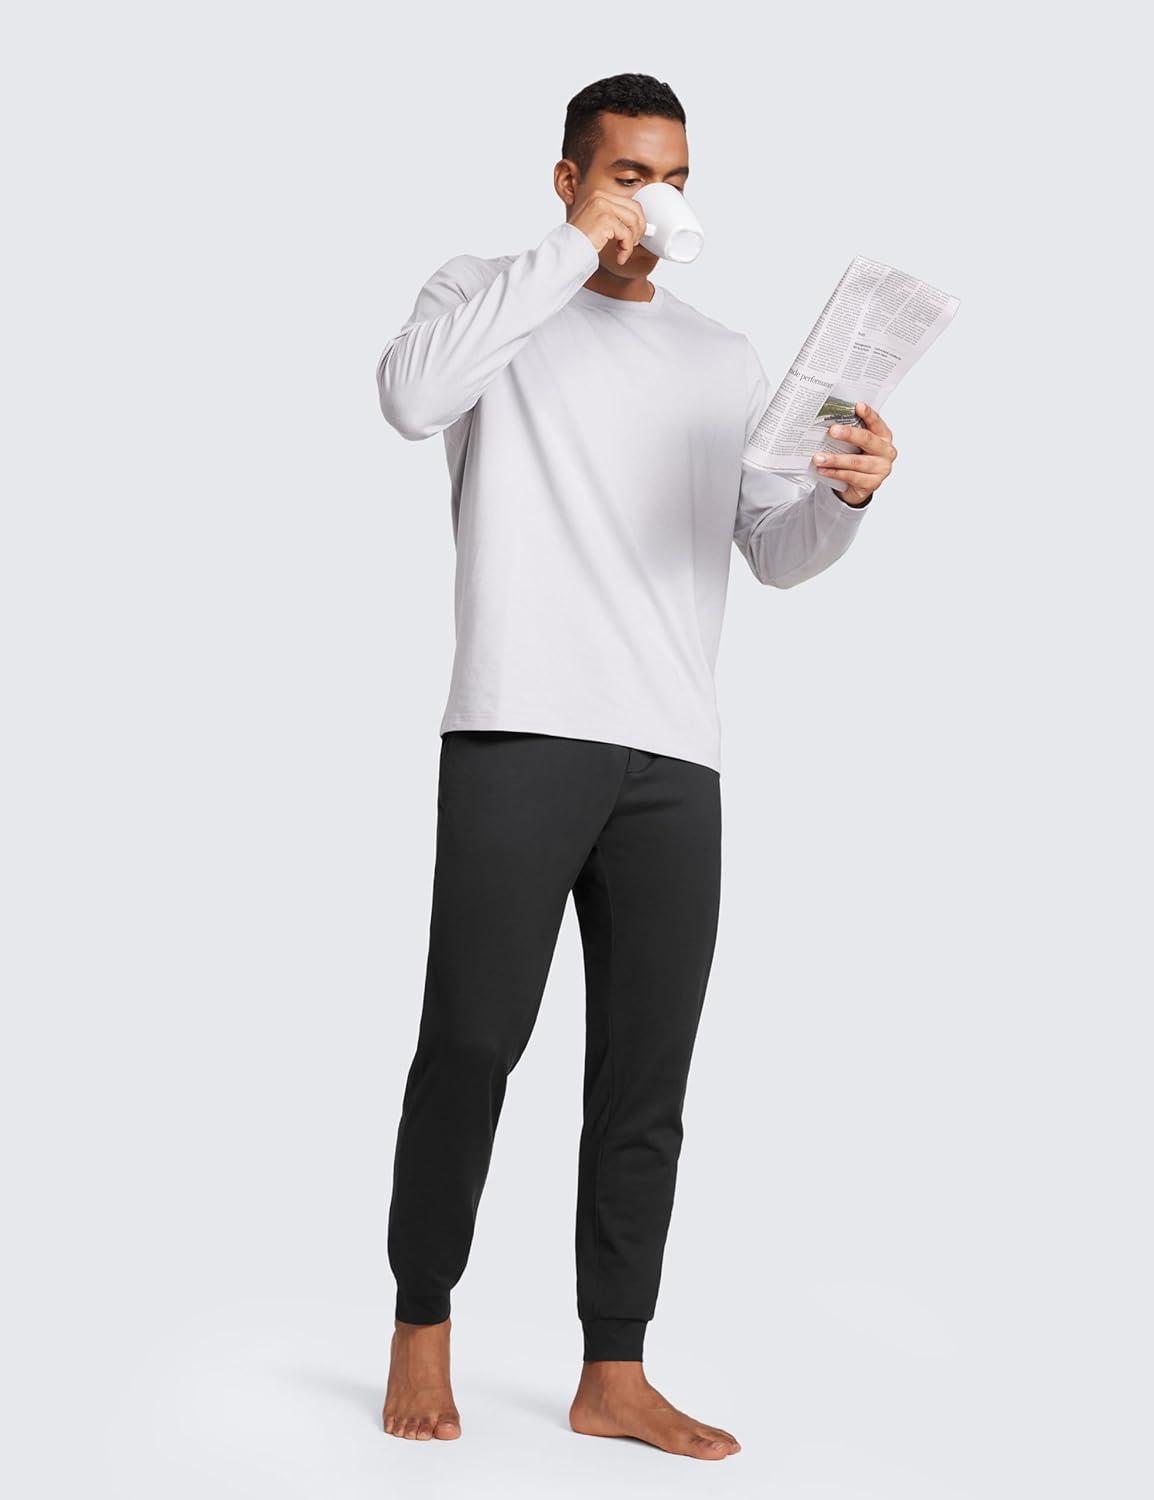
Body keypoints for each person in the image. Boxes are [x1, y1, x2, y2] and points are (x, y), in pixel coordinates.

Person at [374, 72, 897, 1459]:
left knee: (645, 1077)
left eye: (672, 178)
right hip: (519, 726)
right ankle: (421, 1320)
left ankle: (614, 1368)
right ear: (567, 180)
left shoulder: (721, 358)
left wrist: (844, 496)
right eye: (626, 175)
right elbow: (411, 400)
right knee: (472, 1040)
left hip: (673, 756)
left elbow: (772, 553)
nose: (654, 202)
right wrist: (569, 253)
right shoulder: (486, 297)